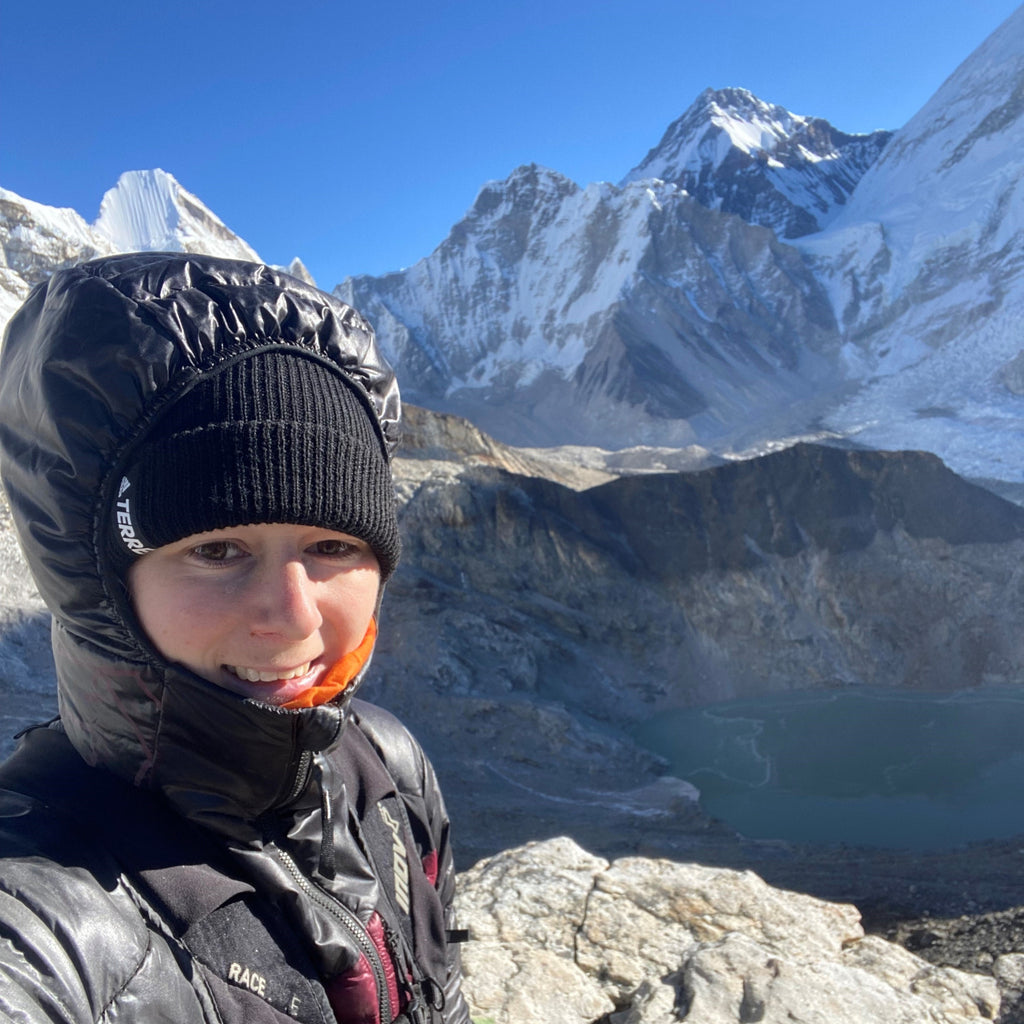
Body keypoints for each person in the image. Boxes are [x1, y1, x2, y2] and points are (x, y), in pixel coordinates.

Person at [0, 252, 470, 1023]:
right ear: (101, 582)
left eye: (333, 547)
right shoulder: (46, 909)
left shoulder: (388, 770)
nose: (293, 616)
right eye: (216, 550)